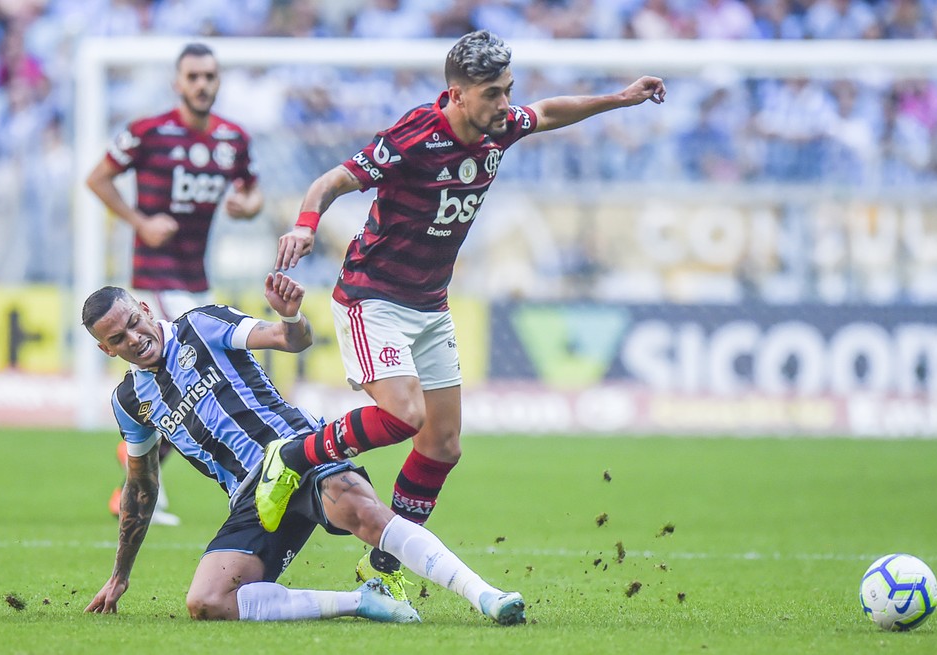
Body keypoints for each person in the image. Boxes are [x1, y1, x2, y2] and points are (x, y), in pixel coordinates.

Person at [255, 29, 666, 599]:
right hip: (371, 297)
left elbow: (546, 111)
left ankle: (382, 568)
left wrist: (619, 99)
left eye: (507, 91)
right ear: (456, 93)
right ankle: (295, 455)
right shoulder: (414, 134)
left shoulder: (499, 128)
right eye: (493, 94)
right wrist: (305, 225)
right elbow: (333, 181)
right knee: (405, 414)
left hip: (430, 304)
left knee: (443, 444)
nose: (506, 105)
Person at [81, 271, 525, 626]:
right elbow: (141, 488)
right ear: (105, 349)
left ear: (143, 308)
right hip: (251, 498)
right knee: (207, 602)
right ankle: (360, 602)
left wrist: (291, 317)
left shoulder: (201, 324)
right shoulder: (129, 402)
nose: (134, 338)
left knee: (364, 513)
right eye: (118, 339)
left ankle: (484, 596)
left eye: (134, 323)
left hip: (300, 454)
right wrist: (120, 575)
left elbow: (290, 340)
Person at [86, 42, 264, 526]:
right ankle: (139, 479)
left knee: (191, 380)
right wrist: (139, 221)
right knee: (186, 374)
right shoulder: (149, 133)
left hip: (197, 276)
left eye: (210, 76)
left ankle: (138, 473)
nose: (202, 84)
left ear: (218, 81)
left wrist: (248, 207)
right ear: (177, 83)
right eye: (193, 77)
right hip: (155, 277)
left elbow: (252, 193)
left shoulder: (233, 138)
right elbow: (97, 178)